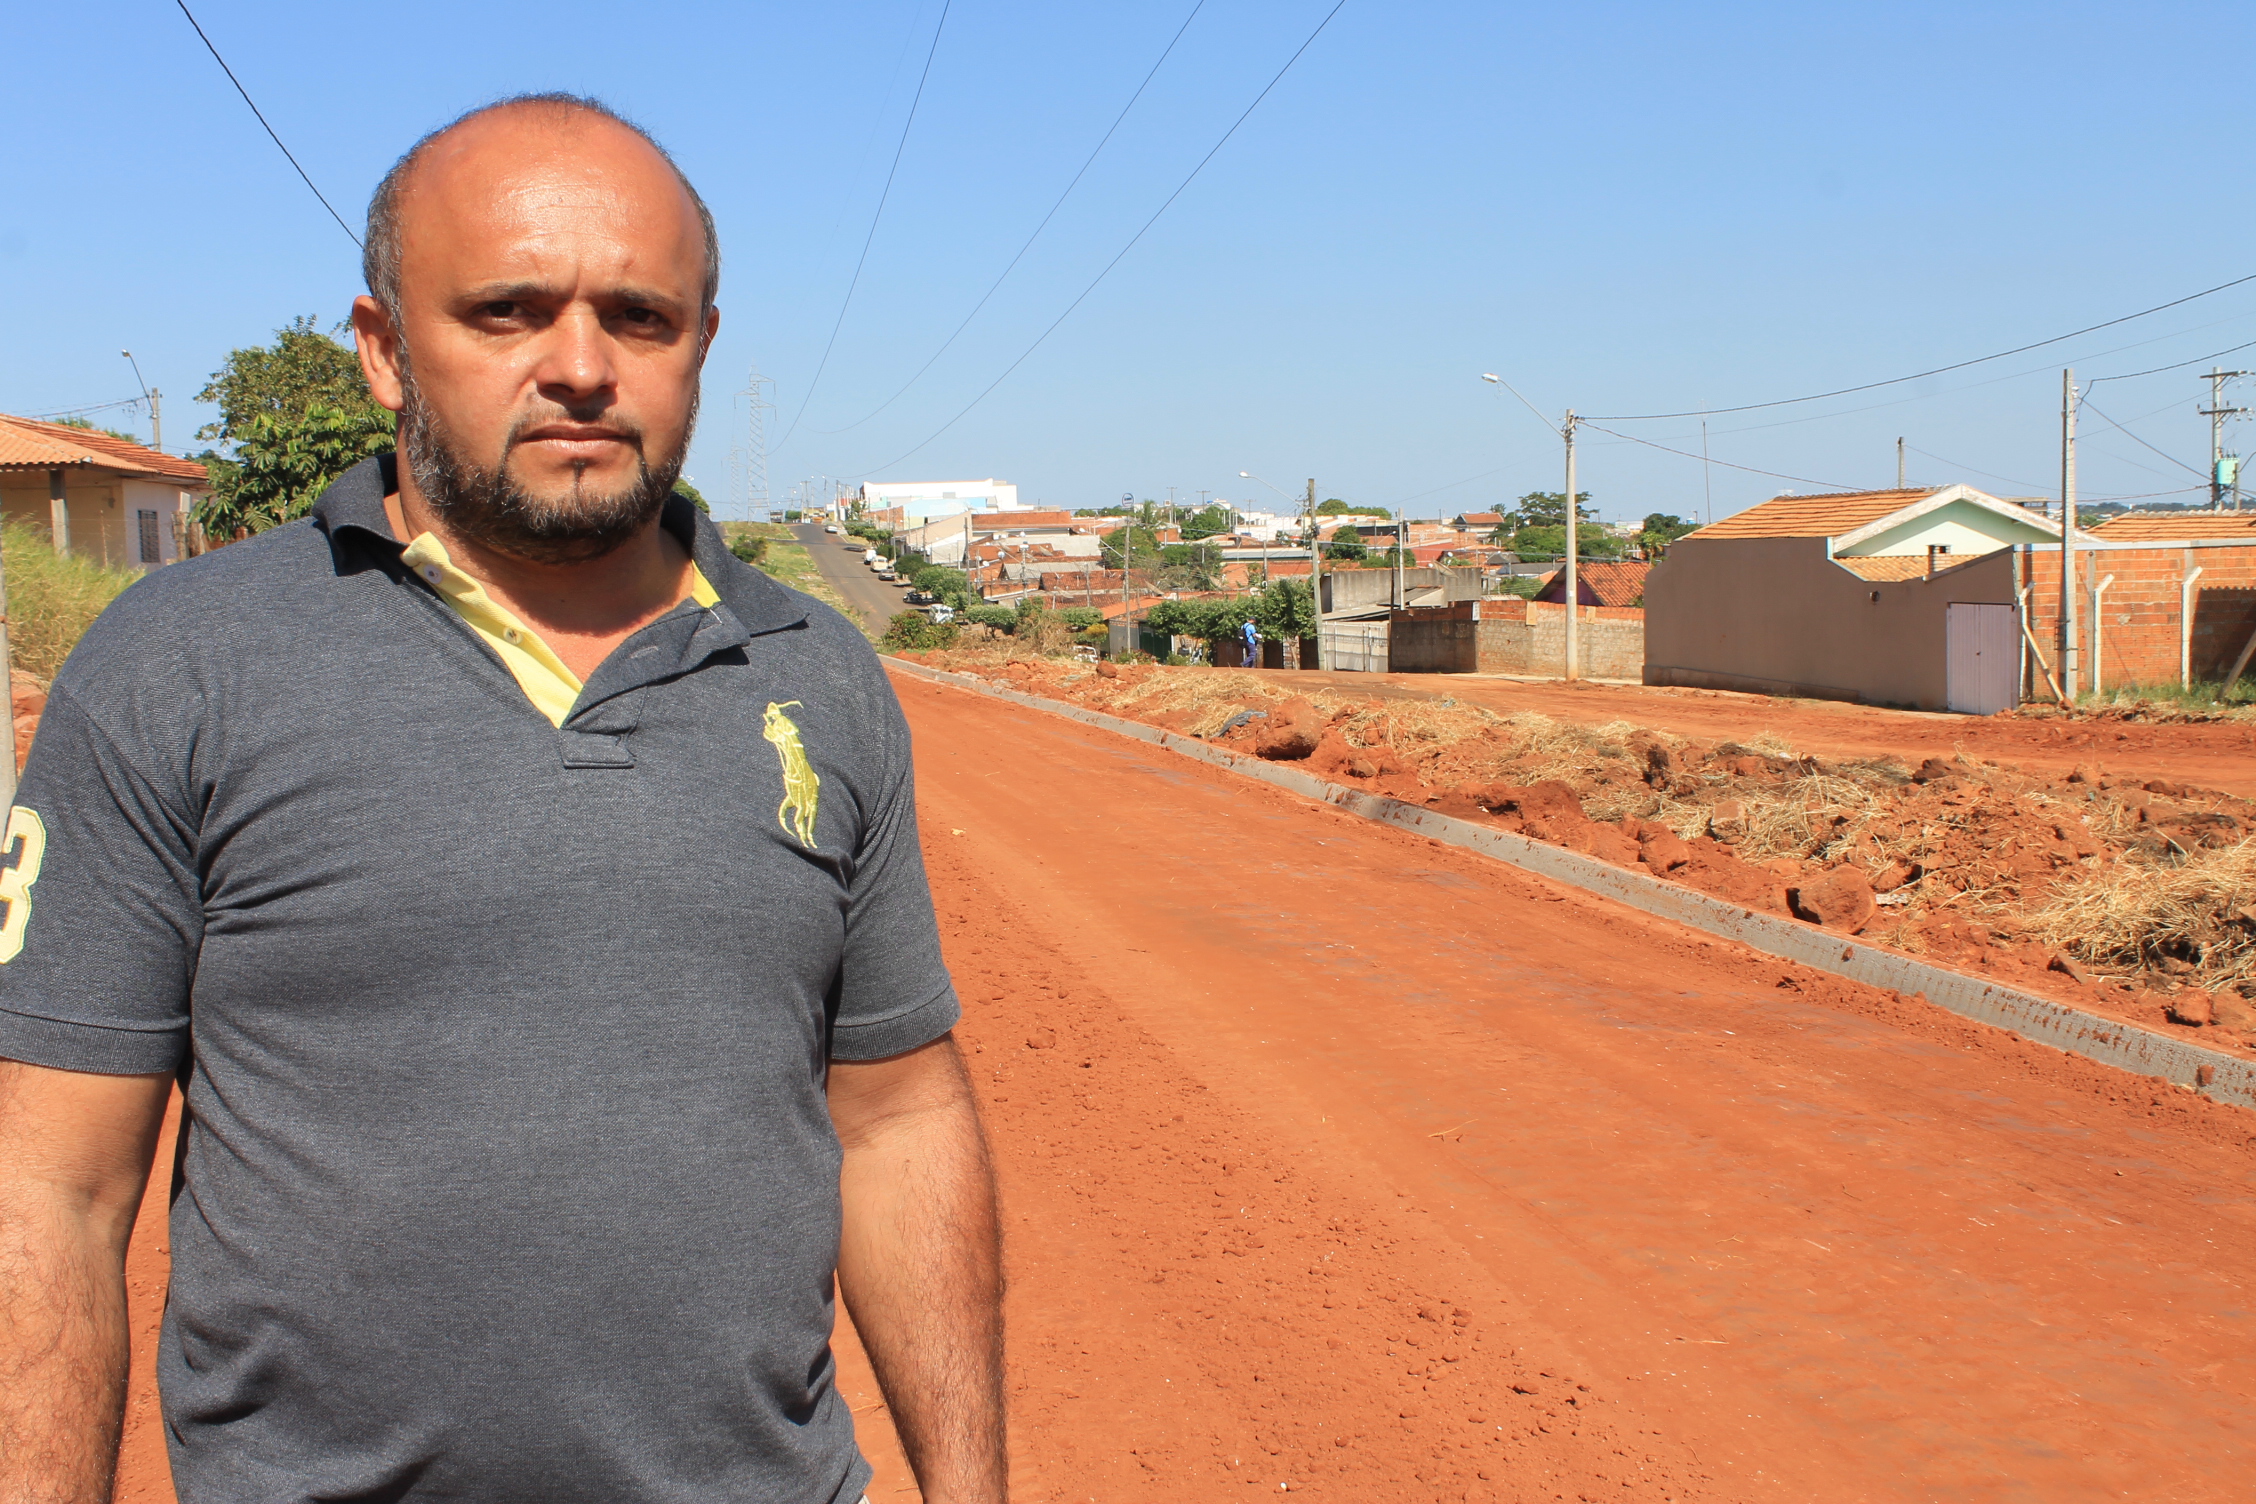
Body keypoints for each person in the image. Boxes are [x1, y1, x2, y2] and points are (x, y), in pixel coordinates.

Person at [0, 94, 1005, 1504]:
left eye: (640, 318)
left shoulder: (816, 672)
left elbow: (899, 1125)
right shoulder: (180, 665)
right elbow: (48, 1187)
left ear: (702, 345)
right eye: (506, 312)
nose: (581, 368)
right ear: (384, 349)